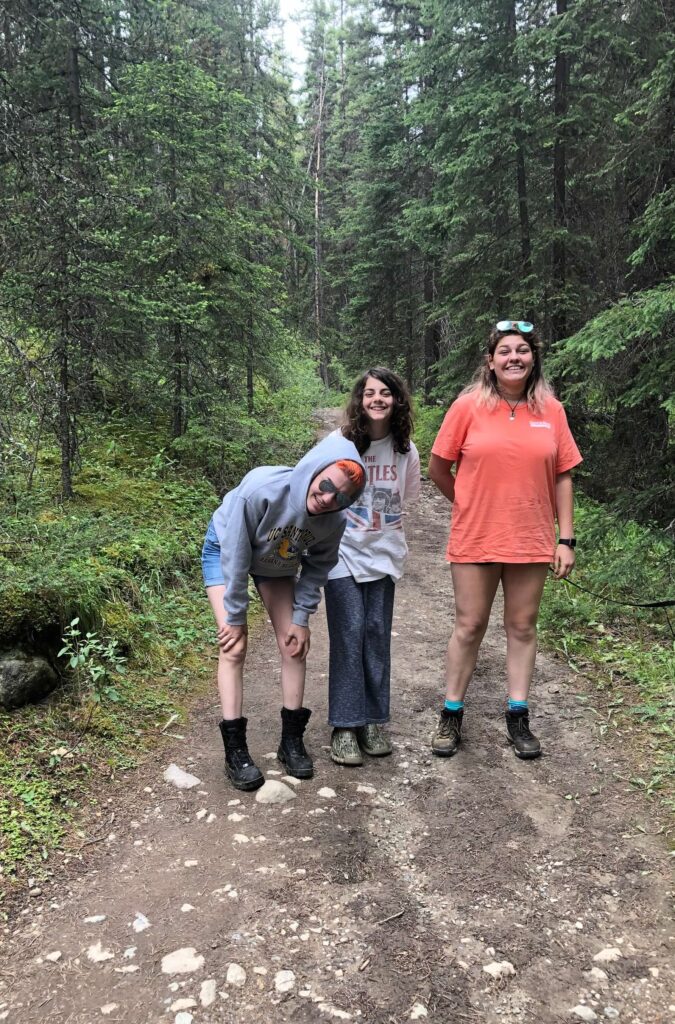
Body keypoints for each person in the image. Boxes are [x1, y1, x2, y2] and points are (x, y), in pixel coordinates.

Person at [428, 320, 582, 760]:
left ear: (533, 358)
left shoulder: (551, 410)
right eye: (505, 351)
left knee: (521, 626)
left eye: (522, 350)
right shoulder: (467, 407)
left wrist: (565, 539)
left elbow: (563, 475)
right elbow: (439, 468)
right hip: (476, 536)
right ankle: (451, 714)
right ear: (490, 362)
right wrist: (470, 504)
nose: (514, 357)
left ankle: (518, 716)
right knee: (469, 625)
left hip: (531, 538)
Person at [202, 435, 366, 791]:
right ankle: (236, 751)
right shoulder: (262, 488)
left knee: (293, 643)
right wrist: (235, 615)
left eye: (340, 497)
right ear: (315, 469)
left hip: (275, 561)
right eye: (325, 486)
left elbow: (319, 567)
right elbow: (234, 555)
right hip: (226, 549)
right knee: (234, 645)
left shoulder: (333, 520)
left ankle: (291, 740)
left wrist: (302, 617)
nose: (326, 499)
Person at [325, 368, 421, 766]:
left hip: (384, 552)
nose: (376, 399)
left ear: (397, 400)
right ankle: (344, 726)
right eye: (369, 393)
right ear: (359, 399)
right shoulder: (340, 442)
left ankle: (372, 721)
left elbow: (407, 497)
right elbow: (315, 488)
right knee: (349, 632)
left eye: (385, 393)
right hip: (342, 551)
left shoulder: (405, 449)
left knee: (376, 633)